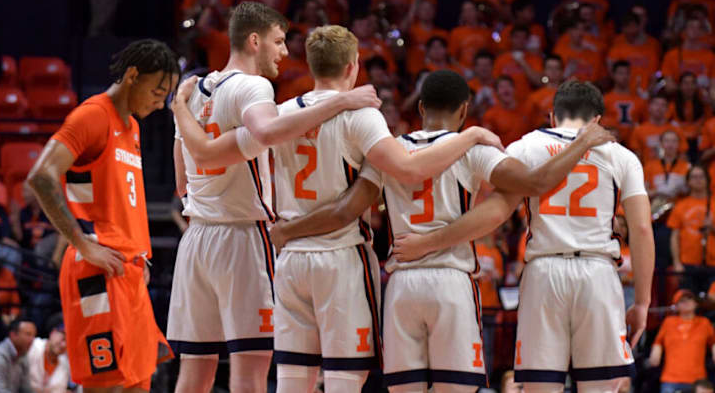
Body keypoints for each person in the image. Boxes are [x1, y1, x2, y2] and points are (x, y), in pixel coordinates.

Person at [267, 71, 613, 392]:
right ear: (465, 110)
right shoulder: (473, 149)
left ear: (420, 107)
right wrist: (581, 143)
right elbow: (536, 182)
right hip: (450, 279)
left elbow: (347, 209)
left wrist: (288, 230)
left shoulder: (388, 151)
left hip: (402, 282)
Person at [167, 2, 381, 393]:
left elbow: (182, 183)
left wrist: (179, 110)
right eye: (279, 41)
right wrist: (341, 100)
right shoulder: (254, 86)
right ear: (254, 41)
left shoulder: (194, 93)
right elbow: (266, 133)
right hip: (243, 236)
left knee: (193, 376)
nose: (284, 52)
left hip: (196, 238)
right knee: (249, 375)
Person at [392, 80, 655, 392]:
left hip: (543, 272)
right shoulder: (621, 155)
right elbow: (640, 229)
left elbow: (496, 211)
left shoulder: (525, 147)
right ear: (597, 120)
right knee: (600, 386)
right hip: (598, 273)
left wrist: (428, 241)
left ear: (552, 116)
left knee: (538, 386)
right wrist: (641, 301)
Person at [26, 39, 179, 392]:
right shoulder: (93, 115)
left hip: (129, 269)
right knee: (105, 385)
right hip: (97, 269)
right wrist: (81, 243)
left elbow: (127, 202)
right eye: (157, 92)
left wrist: (140, 256)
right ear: (132, 75)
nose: (160, 103)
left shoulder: (133, 128)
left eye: (165, 96)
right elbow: (40, 175)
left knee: (139, 382)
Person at [649, 290, 715, 393]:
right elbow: (658, 342)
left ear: (696, 303)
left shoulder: (704, 323)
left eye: (690, 299)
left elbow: (713, 342)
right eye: (682, 301)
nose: (687, 302)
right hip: (671, 378)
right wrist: (655, 352)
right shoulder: (669, 322)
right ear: (676, 306)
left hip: (698, 378)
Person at [667, 165, 715, 293]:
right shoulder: (681, 205)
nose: (698, 180)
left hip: (712, 264)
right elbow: (674, 236)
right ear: (688, 181)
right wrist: (677, 263)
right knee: (688, 301)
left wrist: (712, 228)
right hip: (687, 264)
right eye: (694, 177)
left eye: (701, 176)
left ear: (707, 180)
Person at [602, 60, 647, 144]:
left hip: (633, 143)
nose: (624, 76)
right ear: (613, 75)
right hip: (612, 141)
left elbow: (644, 123)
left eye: (627, 73)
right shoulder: (606, 99)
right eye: (620, 73)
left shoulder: (639, 100)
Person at [26, 314, 69, 393]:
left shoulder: (65, 364)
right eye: (63, 338)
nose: (64, 345)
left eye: (69, 342)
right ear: (53, 332)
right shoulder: (32, 347)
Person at [0, 318, 37, 393]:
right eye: (28, 334)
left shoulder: (23, 355)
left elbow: (26, 388)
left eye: (34, 335)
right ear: (13, 335)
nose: (32, 339)